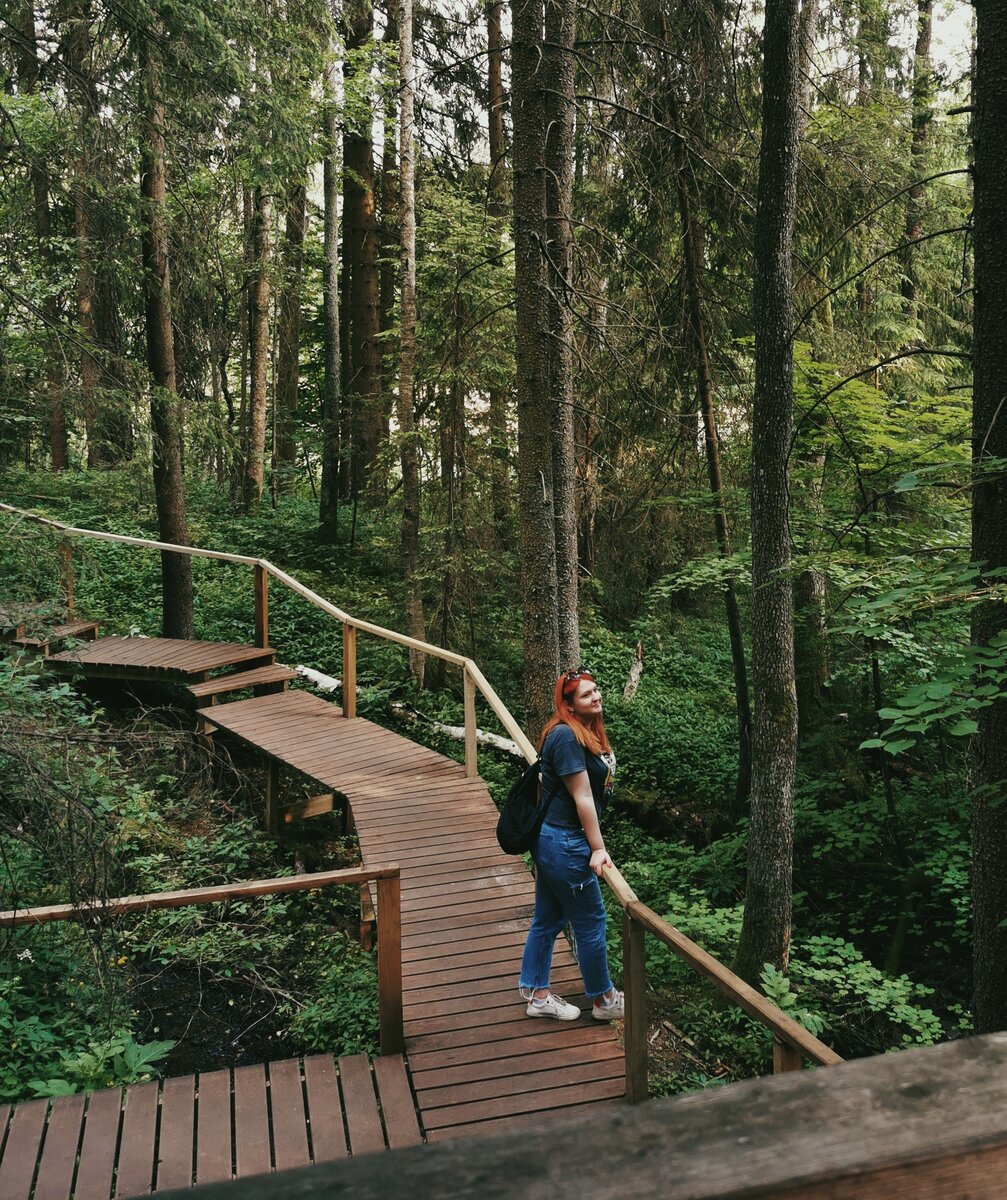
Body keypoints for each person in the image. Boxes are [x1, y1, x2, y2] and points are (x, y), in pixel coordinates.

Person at [518, 668, 624, 1021]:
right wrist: (597, 847)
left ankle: (537, 996)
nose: (595, 697)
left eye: (596, 690)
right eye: (585, 695)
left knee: (547, 919)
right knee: (591, 920)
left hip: (554, 840)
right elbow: (582, 798)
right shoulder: (564, 737)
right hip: (565, 841)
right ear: (569, 706)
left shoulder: (584, 731)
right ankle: (604, 1001)